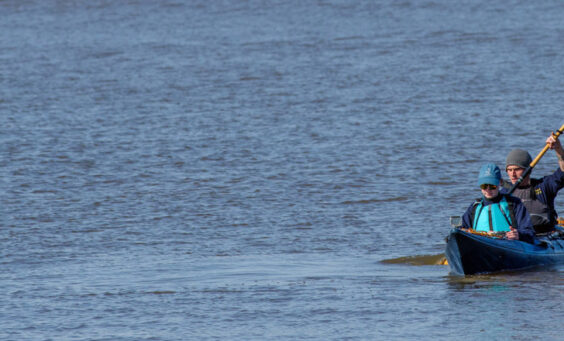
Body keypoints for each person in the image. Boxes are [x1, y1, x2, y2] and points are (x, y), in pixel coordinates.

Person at [502, 133, 564, 233]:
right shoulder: (505, 191)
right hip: (518, 236)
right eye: (509, 170)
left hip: (544, 235)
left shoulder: (544, 186)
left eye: (517, 169)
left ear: (528, 170)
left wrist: (558, 148)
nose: (512, 174)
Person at [461, 163, 535, 243]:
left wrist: (519, 235)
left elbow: (529, 232)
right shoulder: (474, 207)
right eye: (484, 186)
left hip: (508, 245)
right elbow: (463, 229)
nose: (488, 190)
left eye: (492, 186)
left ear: (500, 182)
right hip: (481, 245)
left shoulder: (514, 203)